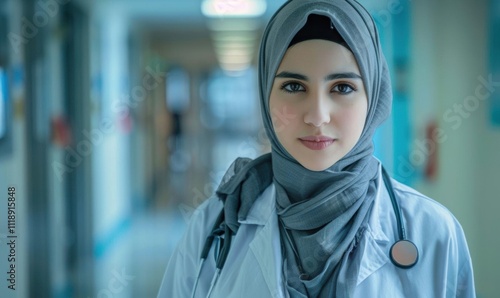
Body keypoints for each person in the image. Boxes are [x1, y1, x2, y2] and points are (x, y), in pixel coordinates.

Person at [157, 0, 476, 297]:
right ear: (266, 96)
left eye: (343, 87)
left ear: (374, 99)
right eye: (294, 87)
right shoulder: (213, 225)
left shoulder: (433, 231)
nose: (317, 116)